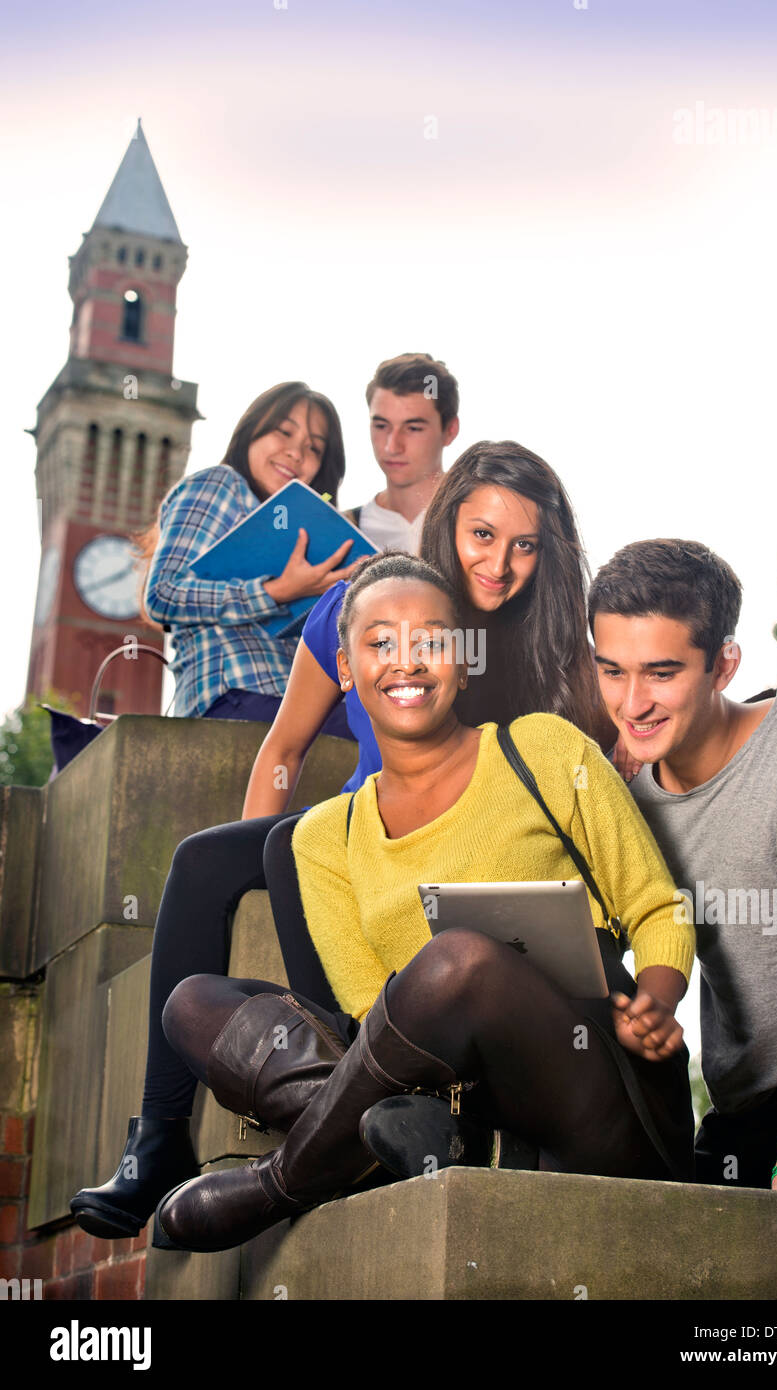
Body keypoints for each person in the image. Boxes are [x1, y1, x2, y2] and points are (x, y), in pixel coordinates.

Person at [69, 438, 616, 1242]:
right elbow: (284, 750)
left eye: (523, 545)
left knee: (296, 847)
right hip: (364, 824)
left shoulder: (553, 657)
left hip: (462, 857)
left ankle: (355, 1090)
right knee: (222, 854)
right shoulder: (365, 607)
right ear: (445, 527)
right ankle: (156, 1142)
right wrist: (268, 836)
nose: (498, 564)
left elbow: (590, 799)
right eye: (480, 536)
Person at [154, 552, 696, 1252]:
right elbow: (362, 1013)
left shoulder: (543, 749)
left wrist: (655, 999)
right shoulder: (324, 837)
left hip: (594, 1081)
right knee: (192, 1003)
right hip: (444, 1088)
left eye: (431, 641)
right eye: (379, 643)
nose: (405, 662)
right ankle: (420, 1143)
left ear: (462, 659)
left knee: (461, 959)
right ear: (346, 669)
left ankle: (283, 1182)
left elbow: (658, 907)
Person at [588, 538, 777, 1196]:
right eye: (611, 671)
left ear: (722, 666)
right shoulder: (622, 795)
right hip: (739, 1112)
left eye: (661, 673)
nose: (632, 703)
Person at [143, 380, 354, 722]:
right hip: (238, 699)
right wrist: (277, 592)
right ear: (251, 431)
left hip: (298, 706)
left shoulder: (301, 529)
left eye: (314, 448)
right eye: (283, 432)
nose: (296, 453)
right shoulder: (221, 484)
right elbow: (163, 594)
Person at [344, 352, 460, 549]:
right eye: (381, 426)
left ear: (450, 431)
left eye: (413, 428)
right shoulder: (346, 530)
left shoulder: (479, 519)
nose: (392, 446)